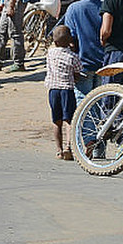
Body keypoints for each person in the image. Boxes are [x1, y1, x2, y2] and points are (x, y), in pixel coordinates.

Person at [57, 0, 104, 101]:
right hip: (104, 63)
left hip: (83, 64)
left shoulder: (74, 8)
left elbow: (70, 38)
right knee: (100, 100)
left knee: (84, 101)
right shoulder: (105, 6)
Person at [45, 25, 82, 160]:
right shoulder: (72, 56)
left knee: (56, 121)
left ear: (55, 42)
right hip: (67, 89)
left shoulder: (50, 54)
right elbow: (78, 71)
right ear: (70, 41)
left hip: (53, 90)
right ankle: (69, 147)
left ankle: (59, 150)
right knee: (69, 120)